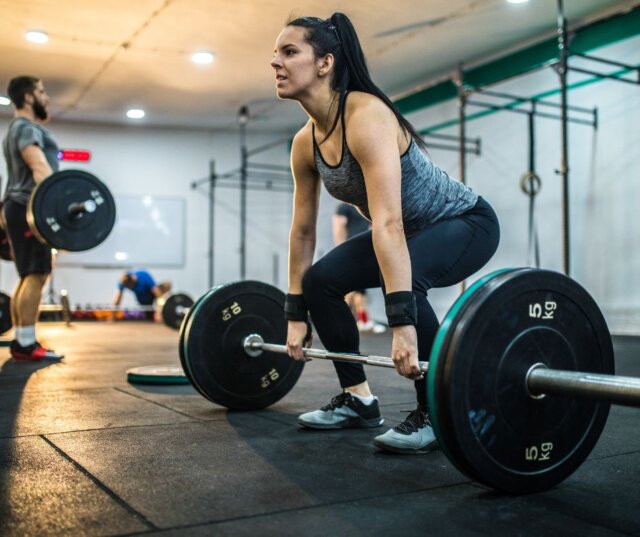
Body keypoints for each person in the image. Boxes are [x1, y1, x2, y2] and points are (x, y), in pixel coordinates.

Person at [271, 13, 500, 454]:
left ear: (325, 63)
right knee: (321, 281)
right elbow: (302, 233)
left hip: (465, 223)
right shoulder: (305, 142)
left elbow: (389, 223)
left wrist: (401, 325)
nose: (276, 63)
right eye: (275, 55)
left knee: (408, 283)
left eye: (289, 52)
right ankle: (358, 399)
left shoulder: (366, 115)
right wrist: (295, 313)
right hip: (406, 233)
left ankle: (436, 411)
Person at [2, 76, 63, 361]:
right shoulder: (26, 127)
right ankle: (25, 345)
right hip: (29, 208)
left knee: (29, 275)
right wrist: (54, 205)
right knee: (37, 273)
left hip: (17, 207)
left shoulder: (15, 128)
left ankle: (22, 340)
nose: (46, 97)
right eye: (41, 91)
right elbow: (38, 165)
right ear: (27, 97)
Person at [332, 202, 384, 333]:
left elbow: (372, 227)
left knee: (358, 289)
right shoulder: (344, 207)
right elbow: (339, 227)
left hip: (363, 249)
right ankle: (344, 319)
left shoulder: (365, 206)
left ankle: (362, 320)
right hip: (350, 250)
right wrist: (342, 250)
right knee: (353, 289)